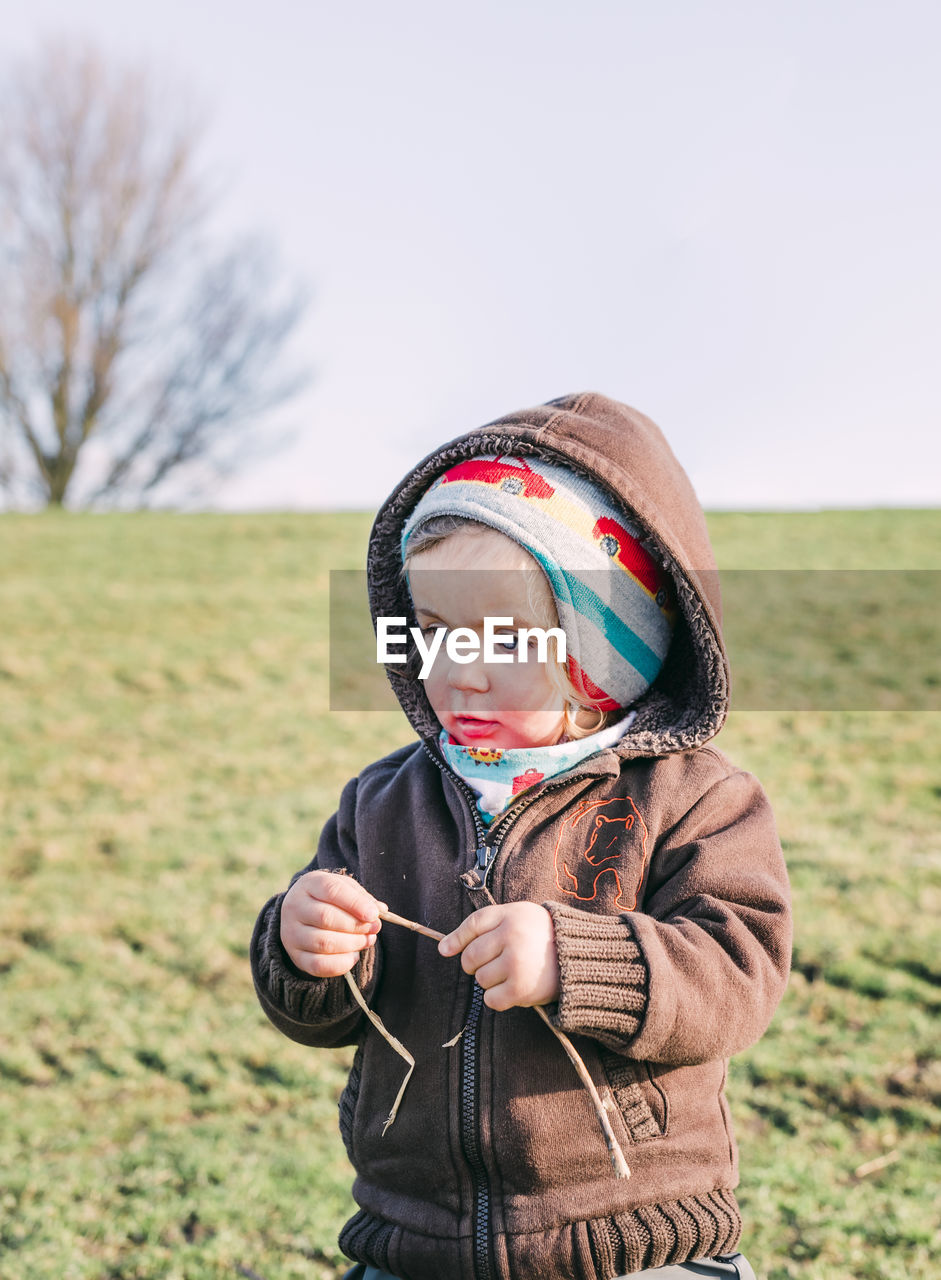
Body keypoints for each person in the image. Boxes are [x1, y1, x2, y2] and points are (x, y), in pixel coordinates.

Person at [250, 392, 792, 1280]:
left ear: (604, 646)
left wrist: (579, 960)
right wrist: (304, 948)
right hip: (415, 1242)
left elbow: (738, 974)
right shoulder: (385, 800)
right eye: (432, 632)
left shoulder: (692, 798)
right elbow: (323, 1016)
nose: (454, 670)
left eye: (498, 638)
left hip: (630, 1242)